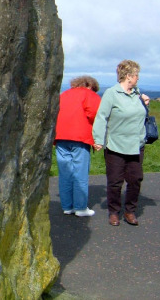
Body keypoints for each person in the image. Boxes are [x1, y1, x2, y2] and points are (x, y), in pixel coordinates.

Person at [93, 60, 150, 226]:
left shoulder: (137, 93)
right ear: (129, 76)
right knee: (115, 182)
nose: (138, 78)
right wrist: (98, 139)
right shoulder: (112, 93)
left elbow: (140, 116)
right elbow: (101, 117)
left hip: (136, 145)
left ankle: (130, 211)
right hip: (116, 146)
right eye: (136, 75)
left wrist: (145, 104)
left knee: (135, 180)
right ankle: (114, 212)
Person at [54, 76, 101, 217]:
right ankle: (80, 208)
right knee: (80, 173)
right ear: (90, 86)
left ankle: (67, 206)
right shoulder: (89, 94)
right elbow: (96, 114)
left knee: (65, 173)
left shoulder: (64, 94)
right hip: (80, 137)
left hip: (61, 136)